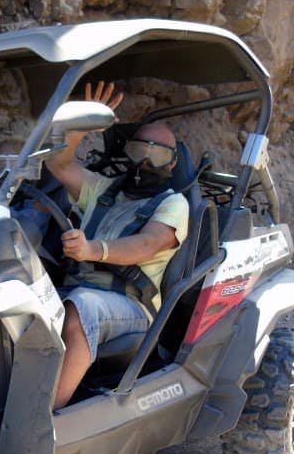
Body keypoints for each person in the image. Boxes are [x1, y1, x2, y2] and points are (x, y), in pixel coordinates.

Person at [46, 82, 189, 410]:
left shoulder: (173, 204)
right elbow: (59, 166)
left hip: (132, 306)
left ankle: (44, 417)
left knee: (83, 307)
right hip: (80, 285)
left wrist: (93, 250)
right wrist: (82, 124)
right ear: (128, 153)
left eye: (159, 154)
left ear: (172, 164)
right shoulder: (103, 189)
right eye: (141, 151)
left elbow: (148, 243)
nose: (147, 162)